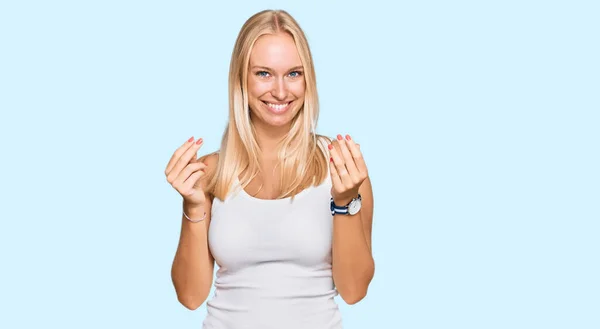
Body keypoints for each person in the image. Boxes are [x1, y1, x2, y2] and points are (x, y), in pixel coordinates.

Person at [165, 9, 375, 329]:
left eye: (293, 73)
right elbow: (190, 296)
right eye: (264, 73)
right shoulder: (209, 173)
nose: (280, 91)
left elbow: (354, 290)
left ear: (308, 79)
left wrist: (345, 202)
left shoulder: (341, 166)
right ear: (241, 79)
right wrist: (192, 205)